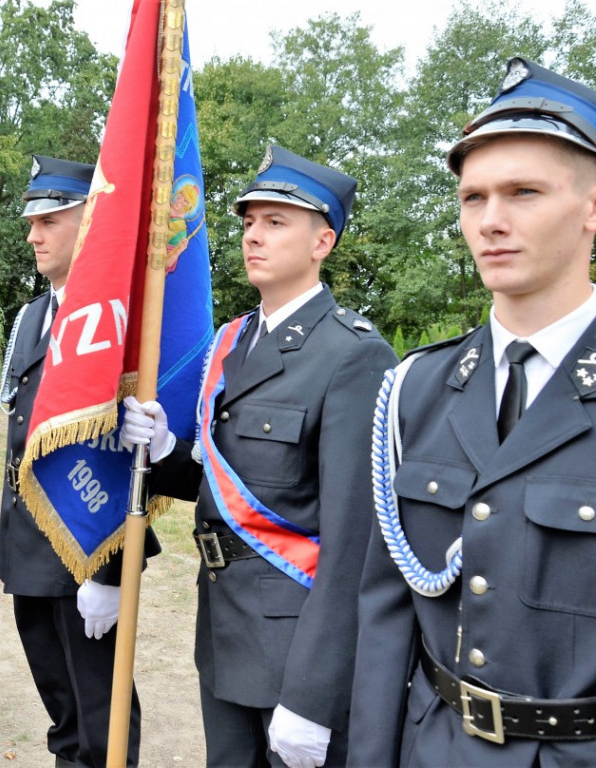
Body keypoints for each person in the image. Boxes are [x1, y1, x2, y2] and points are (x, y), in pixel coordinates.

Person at [348, 58, 596, 766]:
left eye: (523, 192)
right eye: (473, 197)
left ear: (591, 207)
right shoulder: (416, 389)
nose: (491, 221)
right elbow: (386, 615)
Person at [121, 146, 397, 768]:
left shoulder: (353, 355)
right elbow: (222, 482)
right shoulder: (232, 342)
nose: (254, 236)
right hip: (224, 621)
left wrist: (314, 693)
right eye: (248, 222)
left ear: (322, 241)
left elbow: (355, 545)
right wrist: (167, 449)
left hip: (296, 635)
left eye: (276, 223)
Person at [0, 155, 159, 768]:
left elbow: (129, 455)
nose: (34, 235)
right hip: (33, 545)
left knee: (100, 716)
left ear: (90, 221)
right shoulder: (36, 313)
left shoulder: (120, 316)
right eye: (30, 222)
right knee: (62, 710)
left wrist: (112, 572)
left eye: (50, 219)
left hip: (88, 547)